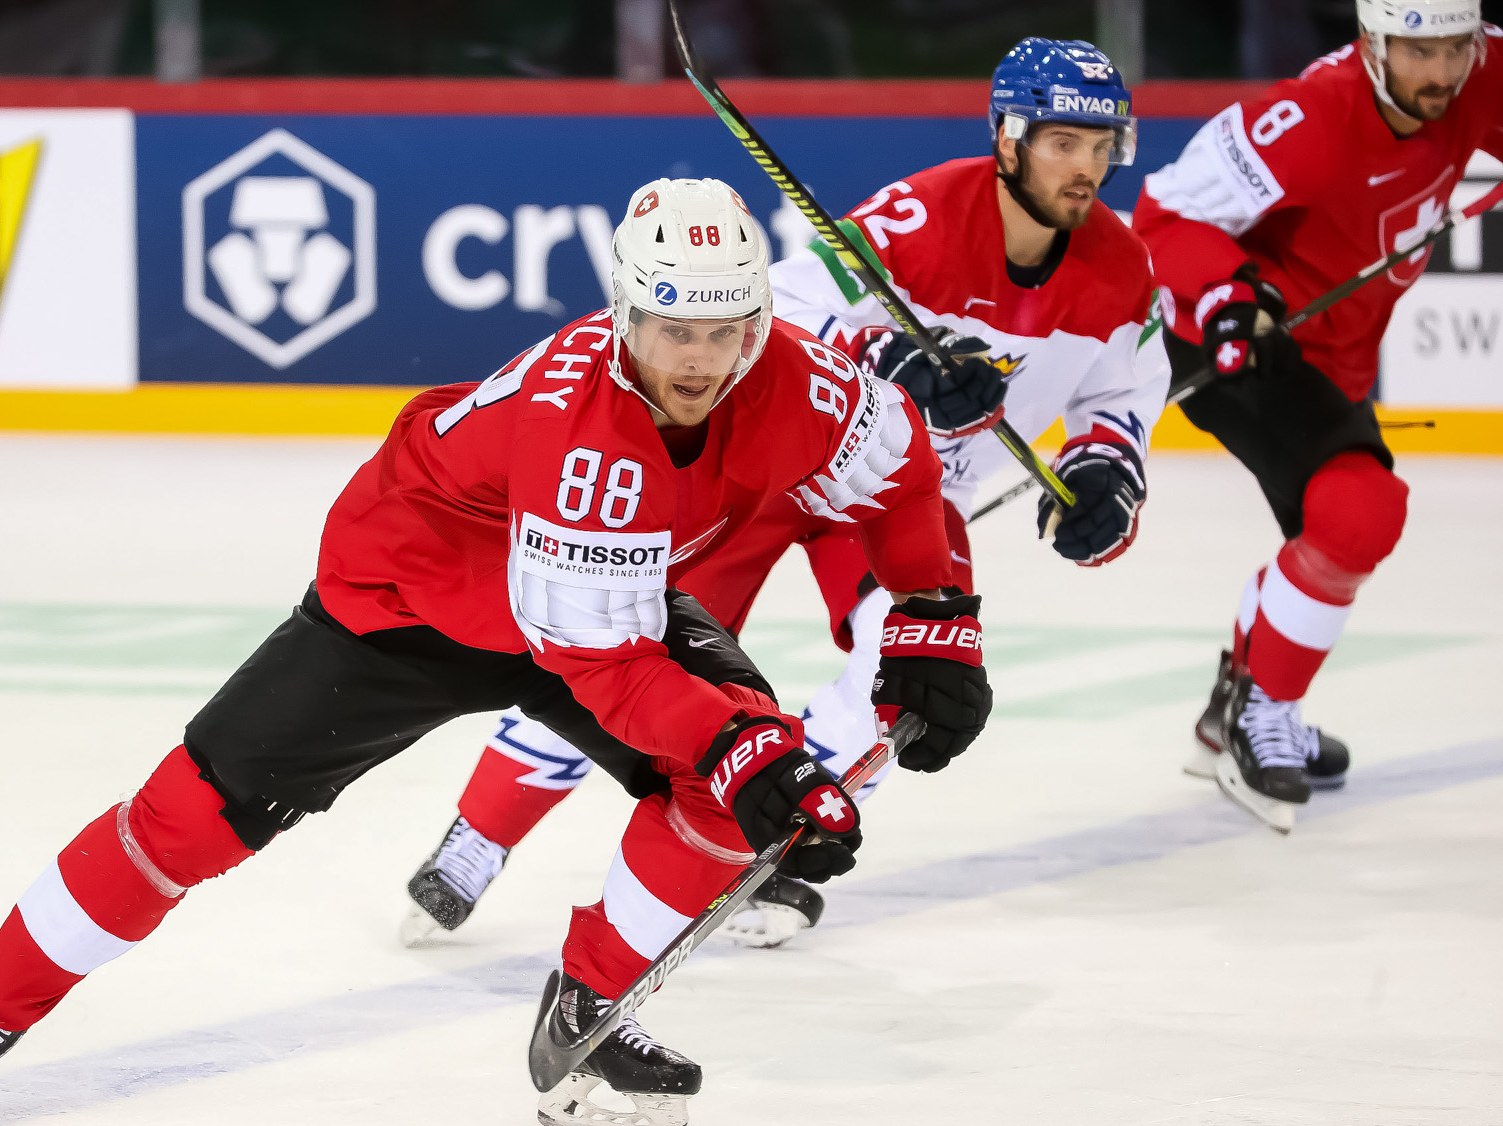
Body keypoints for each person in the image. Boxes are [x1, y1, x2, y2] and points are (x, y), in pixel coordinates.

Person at [0, 177, 991, 1126]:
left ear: (757, 317)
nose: (698, 360)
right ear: (621, 316)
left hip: (595, 601)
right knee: (188, 816)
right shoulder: (583, 437)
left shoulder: (798, 377)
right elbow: (602, 669)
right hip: (410, 603)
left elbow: (898, 483)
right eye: (669, 329)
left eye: (723, 329)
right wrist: (746, 748)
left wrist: (938, 612)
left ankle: (587, 1020)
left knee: (740, 776)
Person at [401, 37, 1167, 949]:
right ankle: (480, 833)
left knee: (916, 648)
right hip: (780, 470)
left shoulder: (1122, 272)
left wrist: (1103, 476)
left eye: (1100, 146)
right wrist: (897, 372)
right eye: (1063, 143)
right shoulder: (916, 219)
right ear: (1009, 138)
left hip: (898, 495)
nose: (1085, 168)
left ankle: (776, 838)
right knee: (630, 648)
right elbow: (785, 318)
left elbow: (1120, 394)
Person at [1133, 0, 1502, 831]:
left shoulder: (1480, 74)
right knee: (1359, 512)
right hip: (1245, 339)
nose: (1440, 73)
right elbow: (1163, 219)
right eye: (1418, 52)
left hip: (1335, 356)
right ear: (1371, 43)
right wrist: (1230, 295)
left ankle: (1236, 702)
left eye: (1455, 49)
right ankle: (1259, 712)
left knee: (1338, 527)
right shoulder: (1301, 120)